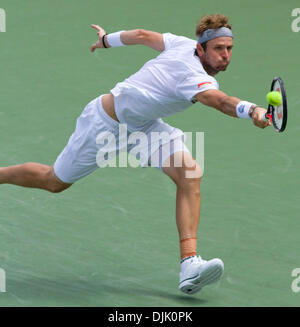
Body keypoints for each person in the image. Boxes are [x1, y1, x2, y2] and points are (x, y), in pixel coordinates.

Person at [0, 14, 271, 295]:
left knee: (189, 173)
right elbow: (220, 101)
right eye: (218, 49)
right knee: (53, 181)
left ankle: (190, 265)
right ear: (201, 48)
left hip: (144, 127)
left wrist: (106, 41)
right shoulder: (193, 77)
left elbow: (142, 35)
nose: (225, 56)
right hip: (105, 125)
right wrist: (251, 110)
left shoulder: (182, 43)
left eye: (229, 49)